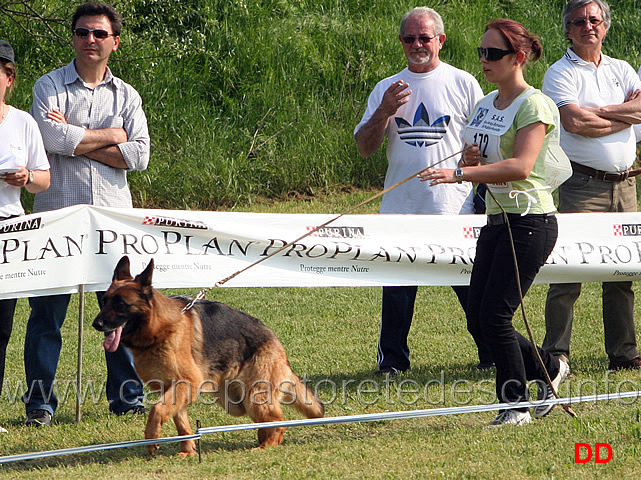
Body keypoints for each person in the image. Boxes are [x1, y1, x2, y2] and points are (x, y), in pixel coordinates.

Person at [420, 19, 569, 426]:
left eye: (494, 54)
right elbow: (483, 160)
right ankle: (548, 368)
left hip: (530, 220)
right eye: (481, 53)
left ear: (519, 57)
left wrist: (460, 175)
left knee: (497, 316)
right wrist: (470, 162)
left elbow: (522, 165)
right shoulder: (486, 104)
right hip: (497, 220)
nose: (484, 60)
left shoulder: (534, 104)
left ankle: (515, 405)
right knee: (477, 316)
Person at [24, 2, 150, 427]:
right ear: (73, 37)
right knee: (46, 319)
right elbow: (52, 139)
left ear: (115, 41)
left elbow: (141, 154)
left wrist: (77, 137)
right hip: (56, 220)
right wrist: (114, 135)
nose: (90, 40)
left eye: (99, 33)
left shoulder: (128, 95)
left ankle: (127, 398)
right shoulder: (49, 86)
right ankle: (40, 404)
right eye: (82, 32)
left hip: (112, 224)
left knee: (121, 314)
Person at [354, 7, 491, 375]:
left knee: (469, 286)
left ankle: (492, 354)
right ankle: (393, 363)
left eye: (424, 38)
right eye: (409, 38)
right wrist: (383, 111)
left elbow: (480, 146)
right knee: (398, 289)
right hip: (400, 207)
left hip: (453, 206)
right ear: (401, 42)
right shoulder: (386, 88)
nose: (417, 45)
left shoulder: (464, 83)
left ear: (440, 41)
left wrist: (470, 162)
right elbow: (365, 146)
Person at [542, 0, 641, 371]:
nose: (588, 26)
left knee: (623, 271)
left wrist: (597, 111)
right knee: (569, 270)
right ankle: (555, 352)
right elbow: (574, 123)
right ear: (567, 30)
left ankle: (623, 353)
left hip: (626, 186)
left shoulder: (623, 69)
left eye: (594, 19)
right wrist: (622, 114)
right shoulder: (559, 73)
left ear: (606, 26)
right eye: (579, 21)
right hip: (583, 185)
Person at [0, 40, 51, 433]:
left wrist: (26, 177)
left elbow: (43, 181)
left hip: (9, 232)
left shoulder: (23, 124)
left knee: (1, 328)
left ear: (9, 77)